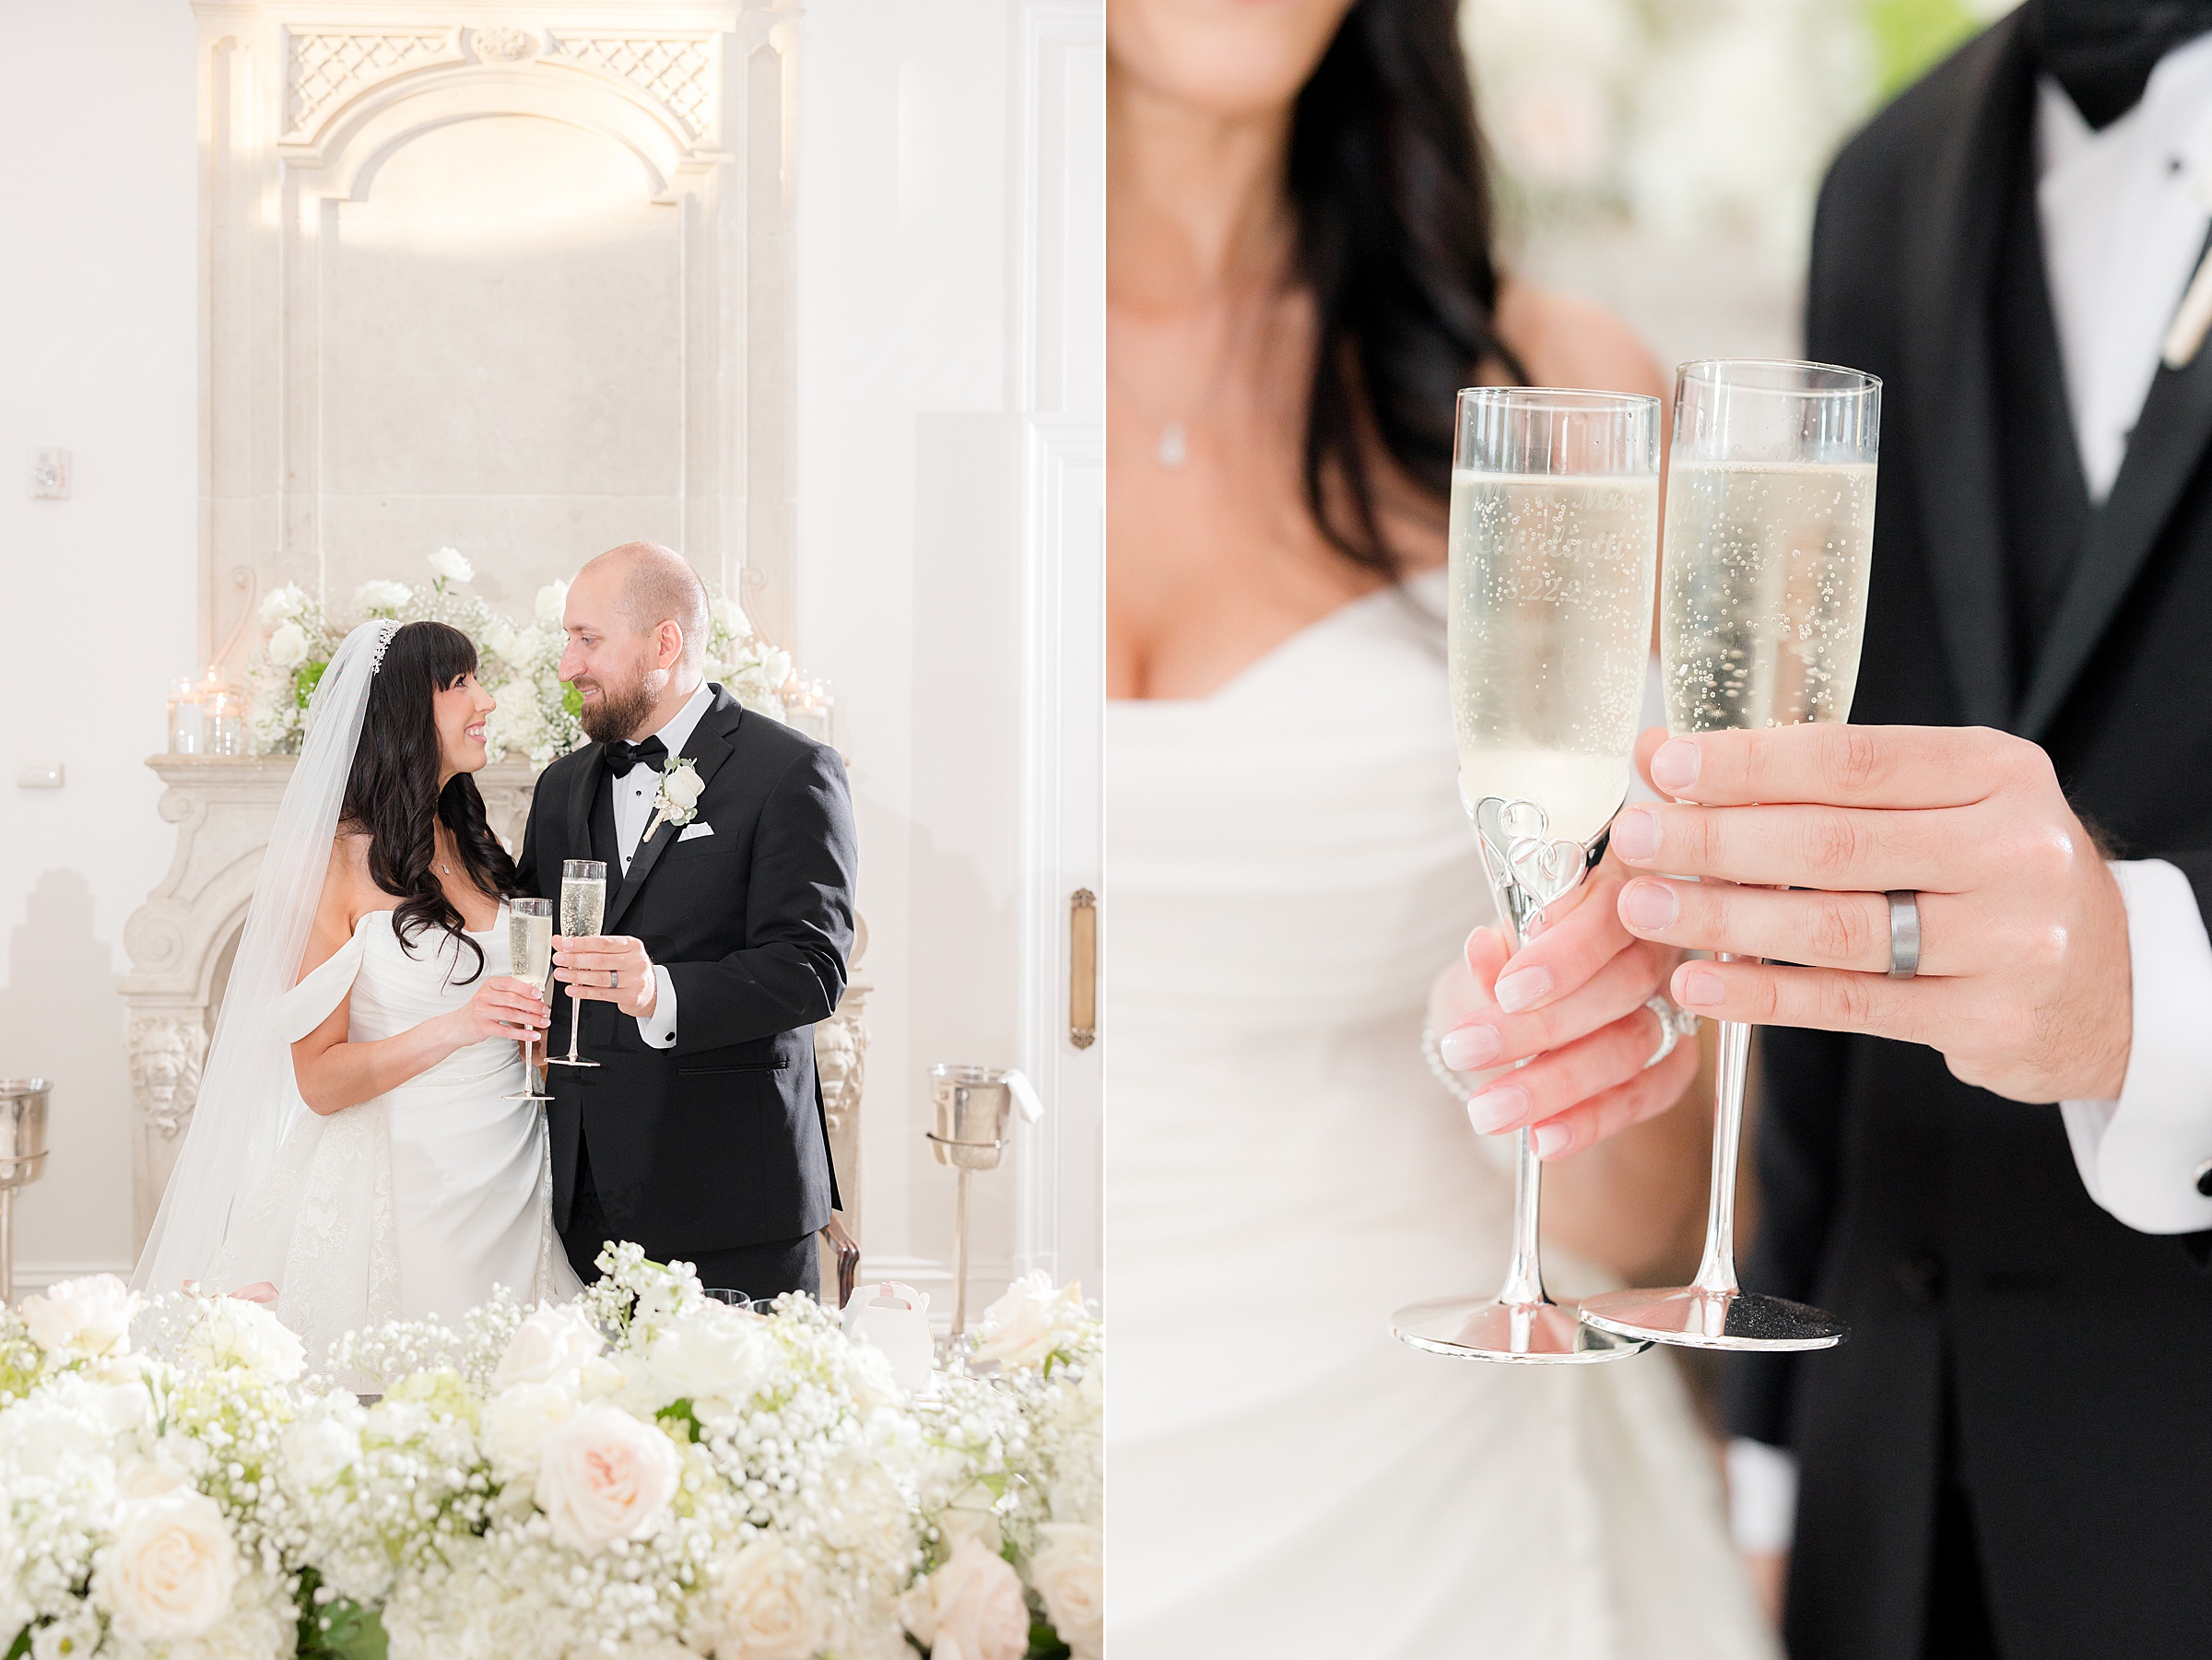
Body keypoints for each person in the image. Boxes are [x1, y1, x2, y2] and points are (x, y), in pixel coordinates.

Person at [1462, 4, 2212, 1655]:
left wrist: (2141, 988)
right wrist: (1780, 1484)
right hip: (1887, 1506)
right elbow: (1810, 811)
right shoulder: (1888, 173)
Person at [1104, 0, 1771, 1653]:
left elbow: (1659, 1224)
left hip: (1428, 1466)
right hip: (950, 1397)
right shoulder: (832, 372)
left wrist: (1583, 1065)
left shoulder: (1559, 393)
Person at [134, 619, 579, 1364]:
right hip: (402, 1188)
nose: (488, 701)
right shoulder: (326, 861)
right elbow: (319, 1079)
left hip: (512, 1172)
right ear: (406, 710)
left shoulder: (476, 840)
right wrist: (462, 1025)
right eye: (462, 683)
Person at [519, 543, 858, 1301]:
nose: (568, 665)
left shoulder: (792, 772)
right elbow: (526, 933)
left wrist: (659, 991)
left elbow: (813, 967)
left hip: (734, 1204)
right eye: (568, 640)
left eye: (588, 639)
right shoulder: (561, 786)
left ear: (664, 644)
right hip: (578, 1204)